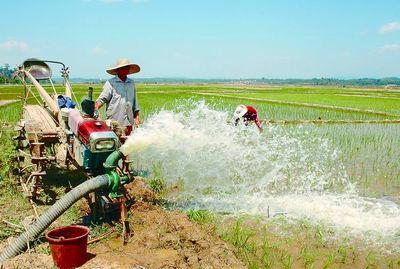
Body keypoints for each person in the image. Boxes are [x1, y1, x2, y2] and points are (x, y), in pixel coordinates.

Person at [95, 59, 141, 135]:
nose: (126, 70)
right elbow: (101, 100)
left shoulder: (131, 83)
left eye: (127, 68)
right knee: (114, 144)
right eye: (123, 68)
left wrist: (137, 118)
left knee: (128, 144)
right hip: (114, 124)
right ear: (118, 70)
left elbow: (135, 104)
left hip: (128, 123)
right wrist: (95, 109)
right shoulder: (111, 83)